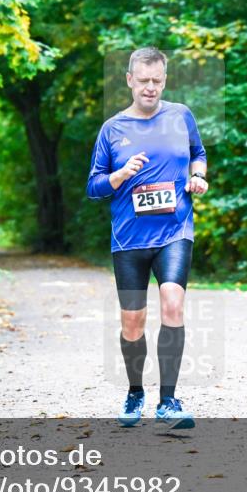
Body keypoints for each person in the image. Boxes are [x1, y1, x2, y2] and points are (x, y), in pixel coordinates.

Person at [85, 47, 208, 429]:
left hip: (175, 230)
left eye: (156, 81)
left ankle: (168, 401)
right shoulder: (112, 129)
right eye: (143, 81)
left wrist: (198, 176)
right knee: (132, 322)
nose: (150, 87)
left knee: (173, 303)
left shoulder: (181, 116)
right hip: (129, 240)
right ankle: (135, 392)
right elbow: (93, 187)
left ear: (164, 80)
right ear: (129, 80)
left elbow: (198, 153)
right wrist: (120, 175)